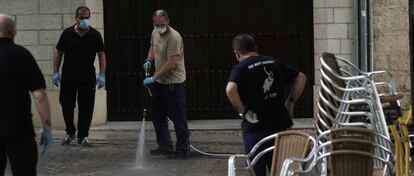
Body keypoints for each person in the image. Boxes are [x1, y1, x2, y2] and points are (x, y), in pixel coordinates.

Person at [226, 34, 307, 176]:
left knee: (256, 168)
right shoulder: (273, 62)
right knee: (280, 168)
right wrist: (290, 102)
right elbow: (301, 78)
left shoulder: (241, 68)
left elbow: (230, 89)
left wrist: (244, 111)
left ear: (236, 53)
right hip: (279, 124)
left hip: (255, 127)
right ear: (255, 47)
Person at [0, 14, 53, 176]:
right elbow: (39, 95)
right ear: (14, 32)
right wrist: (47, 128)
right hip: (19, 129)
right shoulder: (23, 55)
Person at [52, 6, 106, 147]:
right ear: (76, 18)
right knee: (66, 105)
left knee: (86, 107)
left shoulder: (95, 35)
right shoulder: (67, 34)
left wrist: (102, 74)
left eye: (87, 17)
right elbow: (59, 53)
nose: (84, 20)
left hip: (87, 77)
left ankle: (83, 136)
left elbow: (101, 55)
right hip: (69, 77)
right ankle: (70, 132)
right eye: (81, 18)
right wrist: (55, 72)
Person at [142, 9, 190, 160]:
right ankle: (165, 146)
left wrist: (154, 78)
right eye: (156, 24)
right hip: (160, 82)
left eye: (162, 24)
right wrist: (149, 60)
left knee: (178, 118)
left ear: (168, 21)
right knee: (158, 115)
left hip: (173, 83)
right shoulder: (155, 32)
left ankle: (182, 150)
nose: (159, 27)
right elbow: (153, 47)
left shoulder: (174, 37)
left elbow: (172, 63)